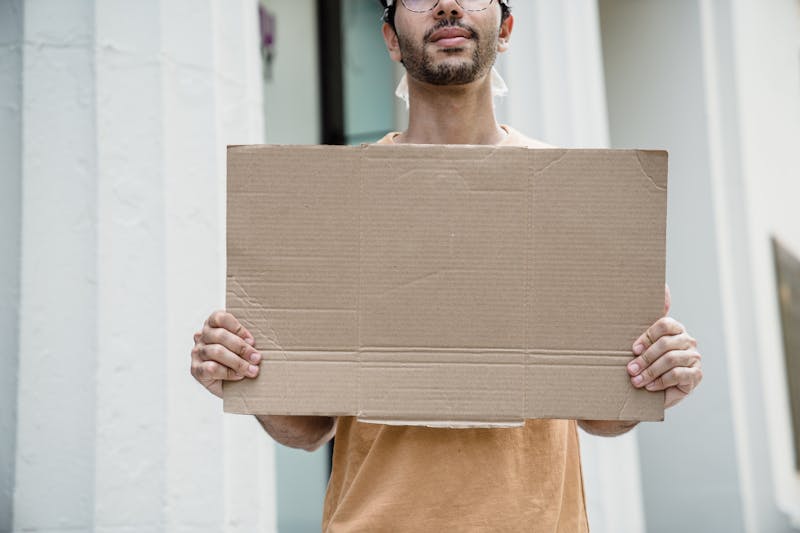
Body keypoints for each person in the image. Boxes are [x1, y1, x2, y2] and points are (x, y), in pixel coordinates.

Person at [190, 0, 704, 530]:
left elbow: (600, 417)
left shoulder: (570, 195)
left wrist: (655, 371)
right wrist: (244, 371)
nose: (448, 5)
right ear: (391, 38)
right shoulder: (338, 203)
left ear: (505, 28)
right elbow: (307, 427)